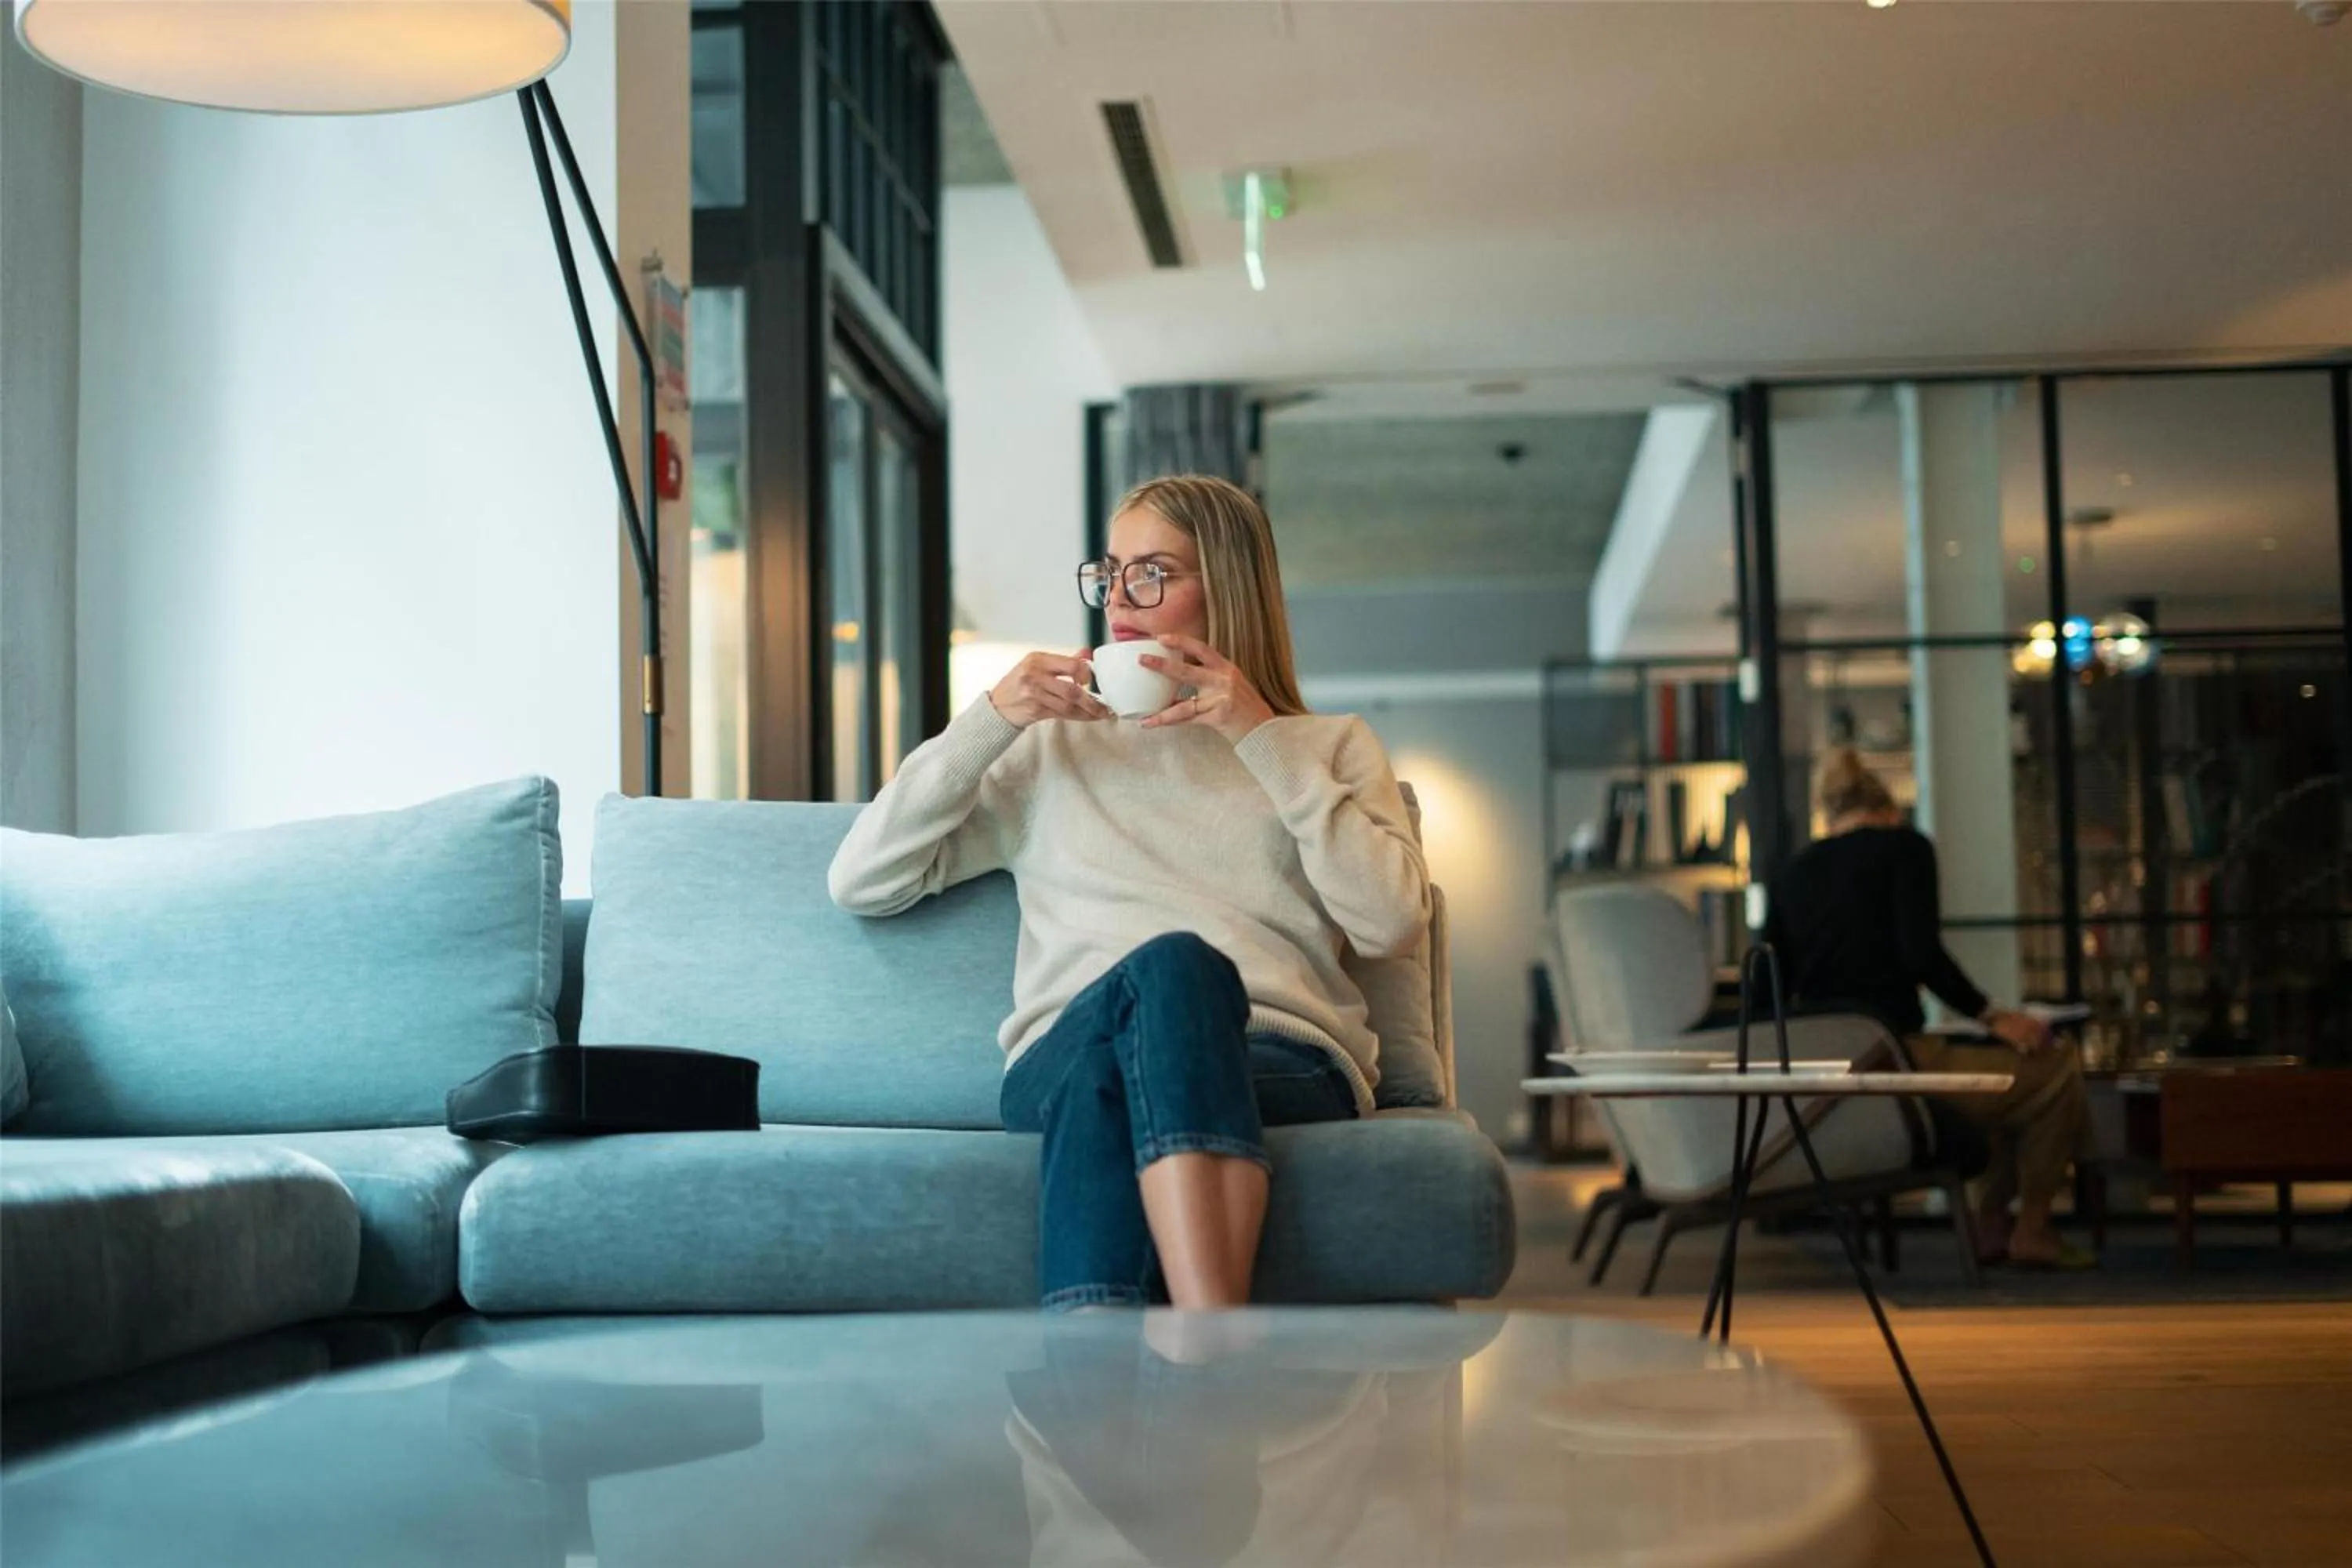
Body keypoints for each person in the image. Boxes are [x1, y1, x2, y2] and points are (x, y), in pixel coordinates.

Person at [828, 474, 1428, 1312]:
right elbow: (863, 879)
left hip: (1277, 1056)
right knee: (1146, 999)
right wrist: (991, 718)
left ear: (1228, 588)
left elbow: (1392, 923)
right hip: (1066, 1046)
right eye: (1110, 573)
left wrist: (1259, 736)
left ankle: (1094, 1375)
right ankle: (1213, 1336)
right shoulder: (1051, 749)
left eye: (1152, 573)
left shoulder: (1325, 747)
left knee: (1148, 1014)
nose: (1117, 597)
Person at [1764, 749, 2091, 1268]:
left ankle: (1990, 1225)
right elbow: (1920, 956)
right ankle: (2033, 1226)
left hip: (1828, 1079)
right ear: (1889, 810)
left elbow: (1770, 985)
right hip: (1897, 1060)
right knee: (2052, 1069)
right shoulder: (1906, 848)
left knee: (2001, 1080)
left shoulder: (1791, 875)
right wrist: (1995, 1016)